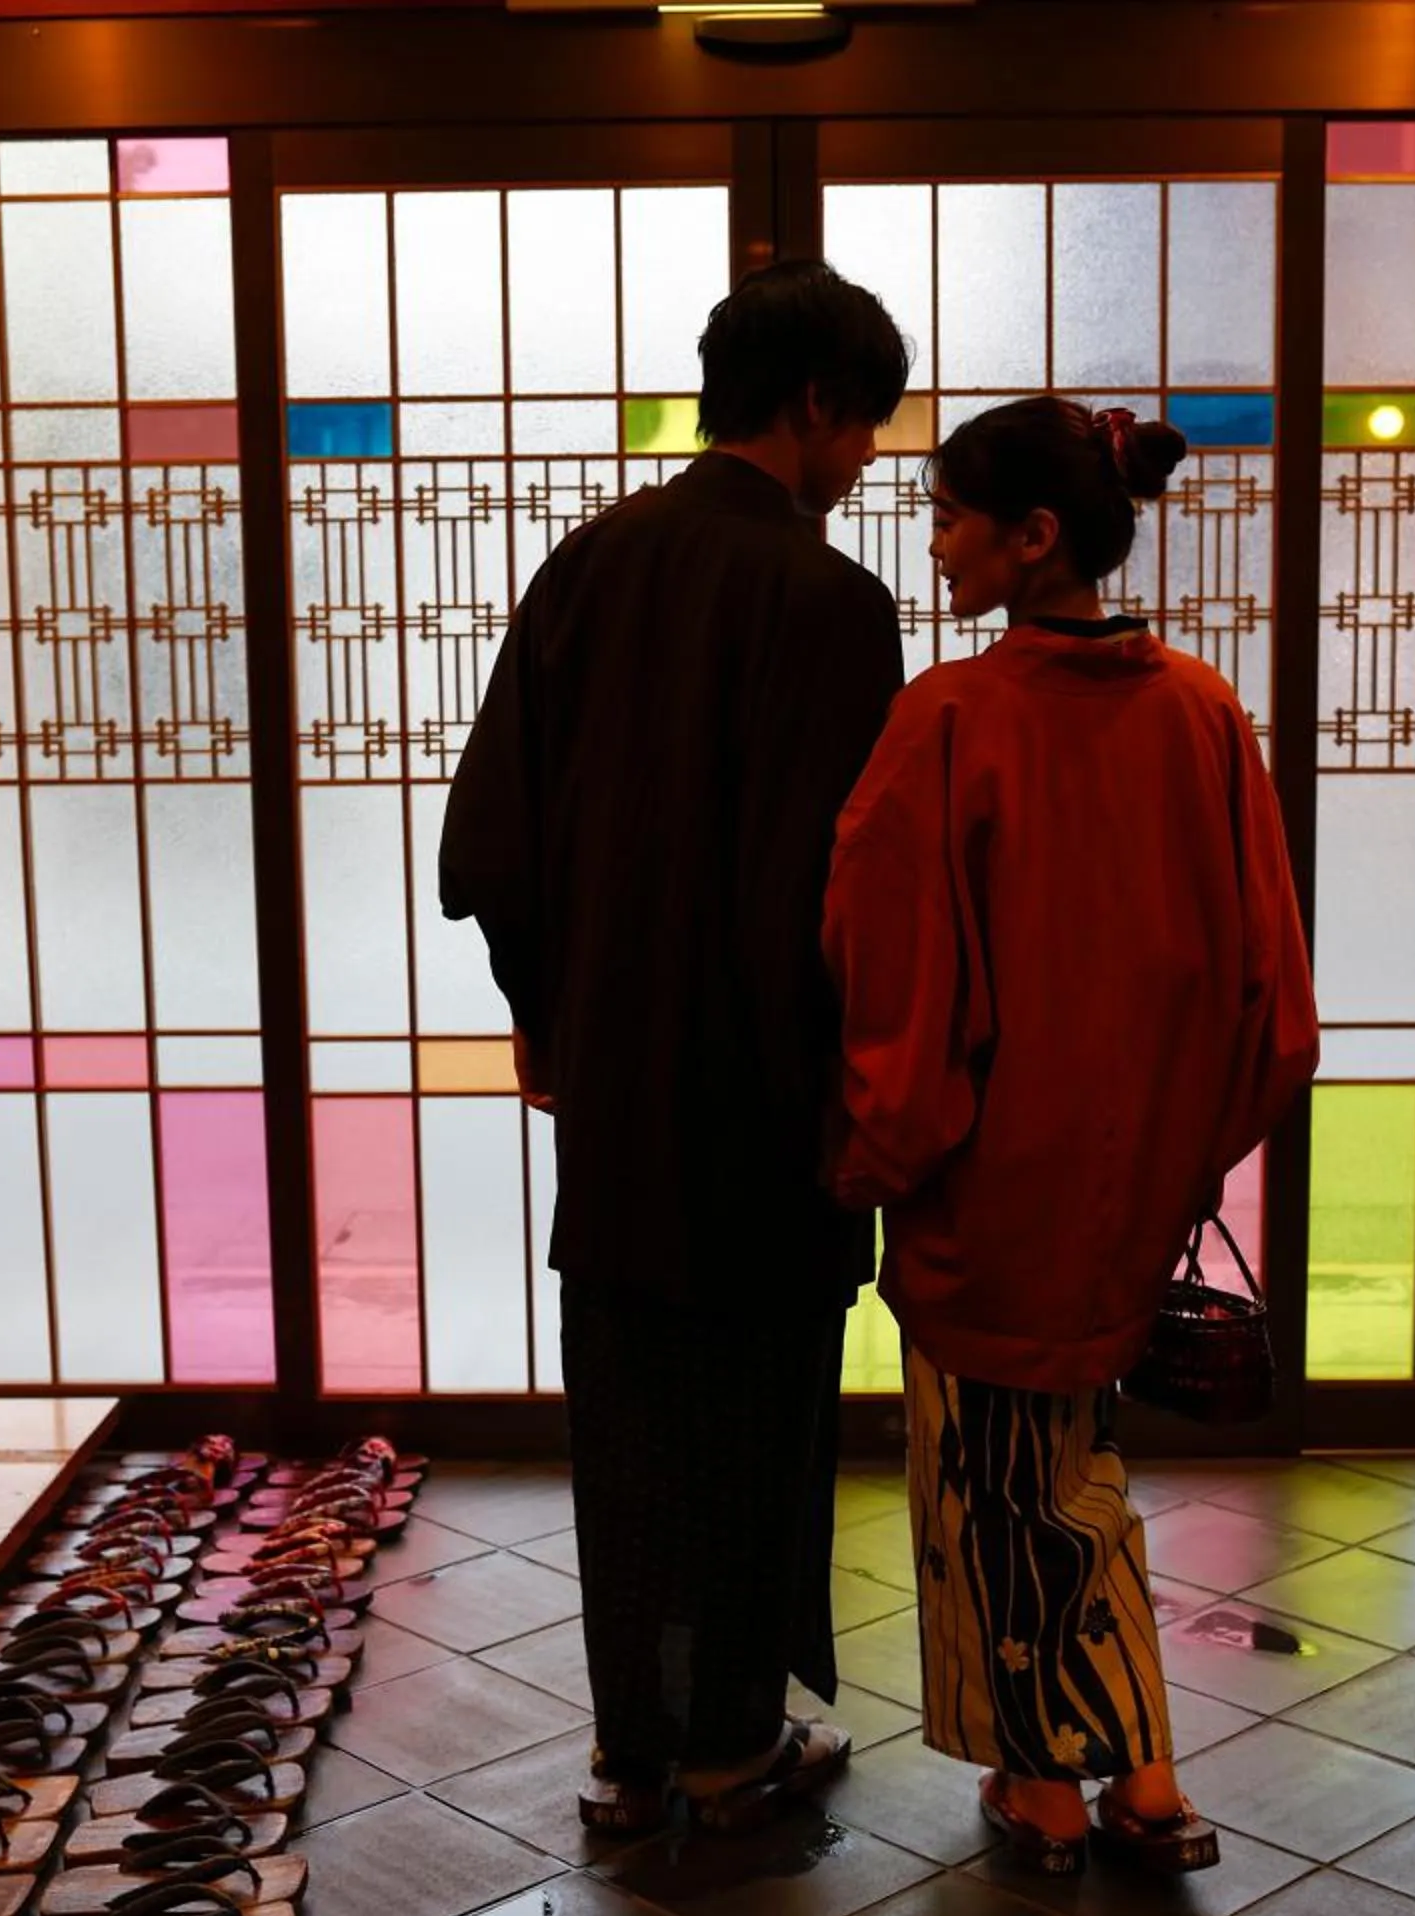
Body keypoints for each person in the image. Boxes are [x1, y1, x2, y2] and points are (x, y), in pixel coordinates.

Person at [439, 260, 911, 1835]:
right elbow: (850, 889)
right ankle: (729, 1744)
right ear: (816, 403)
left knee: (634, 1422)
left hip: (623, 1095)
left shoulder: (588, 565)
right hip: (772, 1096)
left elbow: (489, 839)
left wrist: (546, 1012)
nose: (865, 460)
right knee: (757, 1420)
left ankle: (634, 1747)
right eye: (865, 427)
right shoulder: (832, 605)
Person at [822, 396, 1320, 1875]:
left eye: (952, 519)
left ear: (1035, 537)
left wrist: (876, 1157)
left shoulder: (952, 719)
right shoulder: (1203, 713)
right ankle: (1141, 1777)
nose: (935, 546)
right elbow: (1273, 1004)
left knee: (998, 1490)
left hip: (988, 1183)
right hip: (1135, 1184)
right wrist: (1181, 1152)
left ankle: (1061, 1785)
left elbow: (895, 977)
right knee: (1072, 1469)